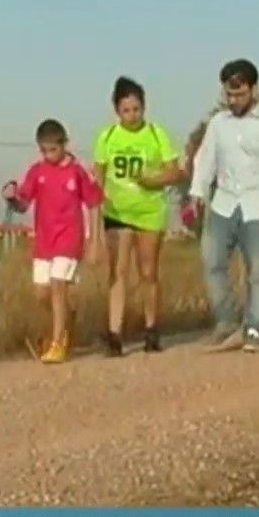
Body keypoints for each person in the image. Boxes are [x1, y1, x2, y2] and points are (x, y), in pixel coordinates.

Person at [187, 59, 259, 354]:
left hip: (258, 204)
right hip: (224, 202)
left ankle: (253, 329)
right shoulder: (218, 124)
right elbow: (205, 159)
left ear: (254, 90)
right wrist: (197, 194)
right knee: (211, 262)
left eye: (240, 94)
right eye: (229, 95)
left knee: (258, 271)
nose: (234, 100)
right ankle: (225, 322)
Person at [1, 119, 104, 364]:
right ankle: (65, 320)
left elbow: (94, 203)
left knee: (58, 286)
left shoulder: (77, 172)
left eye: (53, 150)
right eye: (44, 150)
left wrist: (94, 240)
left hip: (69, 238)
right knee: (42, 293)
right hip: (44, 241)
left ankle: (58, 342)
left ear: (64, 144)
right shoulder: (37, 171)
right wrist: (13, 198)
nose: (49, 155)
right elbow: (24, 202)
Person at [92, 76, 181, 357]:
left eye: (136, 109)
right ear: (117, 110)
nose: (131, 115)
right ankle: (115, 334)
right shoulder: (107, 137)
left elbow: (175, 171)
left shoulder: (156, 134)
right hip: (117, 212)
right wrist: (94, 218)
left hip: (150, 211)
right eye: (126, 110)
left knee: (148, 272)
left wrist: (152, 180)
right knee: (117, 272)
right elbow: (97, 178)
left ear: (144, 107)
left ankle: (151, 329)